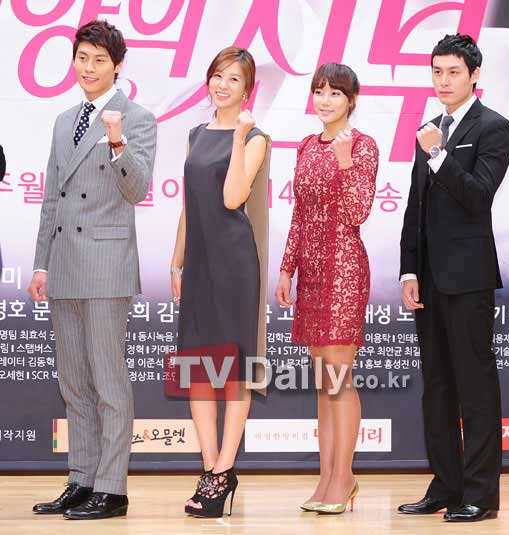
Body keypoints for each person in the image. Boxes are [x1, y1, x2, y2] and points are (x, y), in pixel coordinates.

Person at [28, 20, 157, 520]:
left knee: (108, 383)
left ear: (117, 65)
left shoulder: (137, 118)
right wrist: (41, 263)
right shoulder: (65, 120)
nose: (89, 67)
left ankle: (112, 487)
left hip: (105, 265)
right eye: (83, 57)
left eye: (100, 59)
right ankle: (81, 479)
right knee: (74, 383)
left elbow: (138, 189)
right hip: (63, 264)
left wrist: (118, 142)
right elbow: (51, 199)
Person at [398, 34, 509, 522]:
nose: (443, 81)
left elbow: (479, 196)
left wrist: (440, 156)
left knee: (475, 386)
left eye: (453, 72)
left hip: (468, 278)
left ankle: (480, 494)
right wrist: (408, 268)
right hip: (428, 279)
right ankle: (445, 485)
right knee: (438, 387)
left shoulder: (494, 127)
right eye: (437, 71)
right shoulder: (430, 129)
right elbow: (415, 206)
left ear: (474, 75)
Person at [170, 46, 270, 518]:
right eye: (218, 76)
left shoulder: (255, 138)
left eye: (234, 79)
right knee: (198, 371)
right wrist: (177, 262)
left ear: (247, 89)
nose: (223, 85)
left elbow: (232, 198)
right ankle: (212, 469)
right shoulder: (195, 134)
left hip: (234, 265)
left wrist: (240, 136)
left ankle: (225, 465)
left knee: (232, 372)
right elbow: (189, 206)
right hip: (199, 264)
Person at [276, 63, 379, 515]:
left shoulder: (364, 145)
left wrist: (345, 161)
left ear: (351, 100)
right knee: (323, 382)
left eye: (335, 93)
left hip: (344, 269)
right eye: (319, 91)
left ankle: (344, 478)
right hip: (312, 273)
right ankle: (326, 479)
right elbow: (299, 215)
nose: (325, 100)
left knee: (339, 378)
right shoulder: (304, 146)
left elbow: (358, 212)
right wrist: (287, 269)